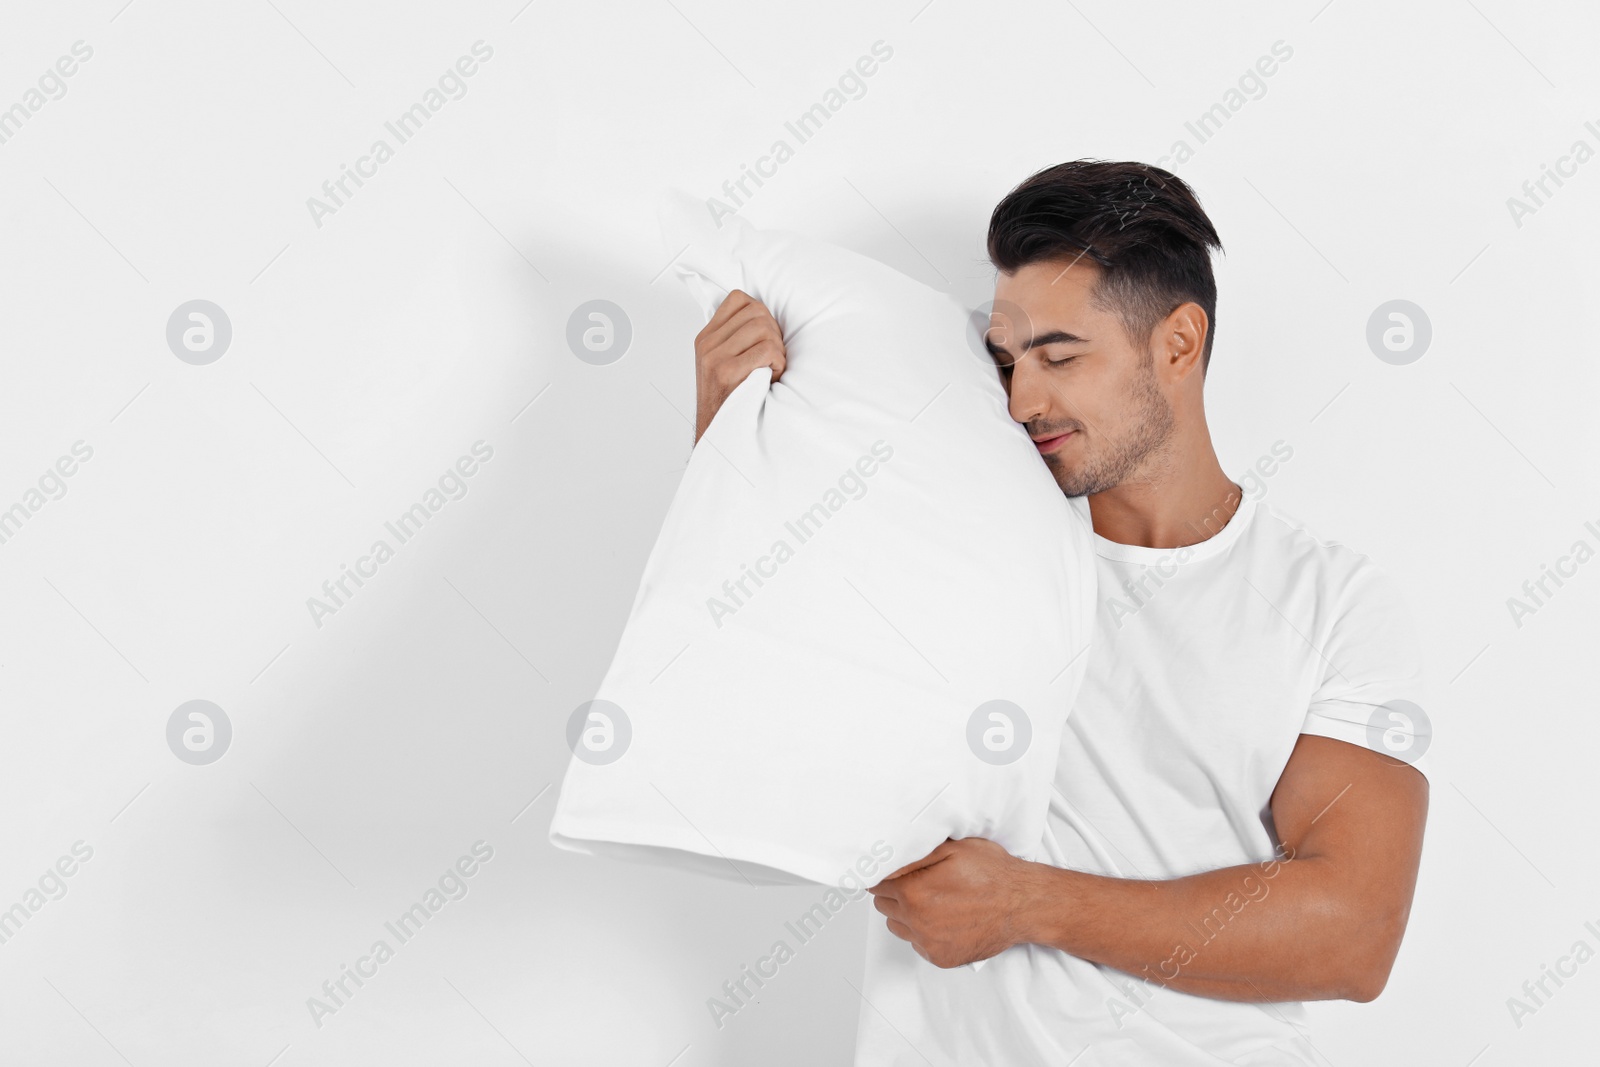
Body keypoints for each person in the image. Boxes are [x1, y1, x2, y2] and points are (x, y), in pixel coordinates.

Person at [691, 160, 1429, 1066]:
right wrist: (726, 441)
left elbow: (1353, 934)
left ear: (1179, 343)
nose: (1021, 398)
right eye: (1006, 359)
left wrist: (1026, 903)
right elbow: (770, 701)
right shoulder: (947, 548)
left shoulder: (1332, 599)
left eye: (1059, 354)